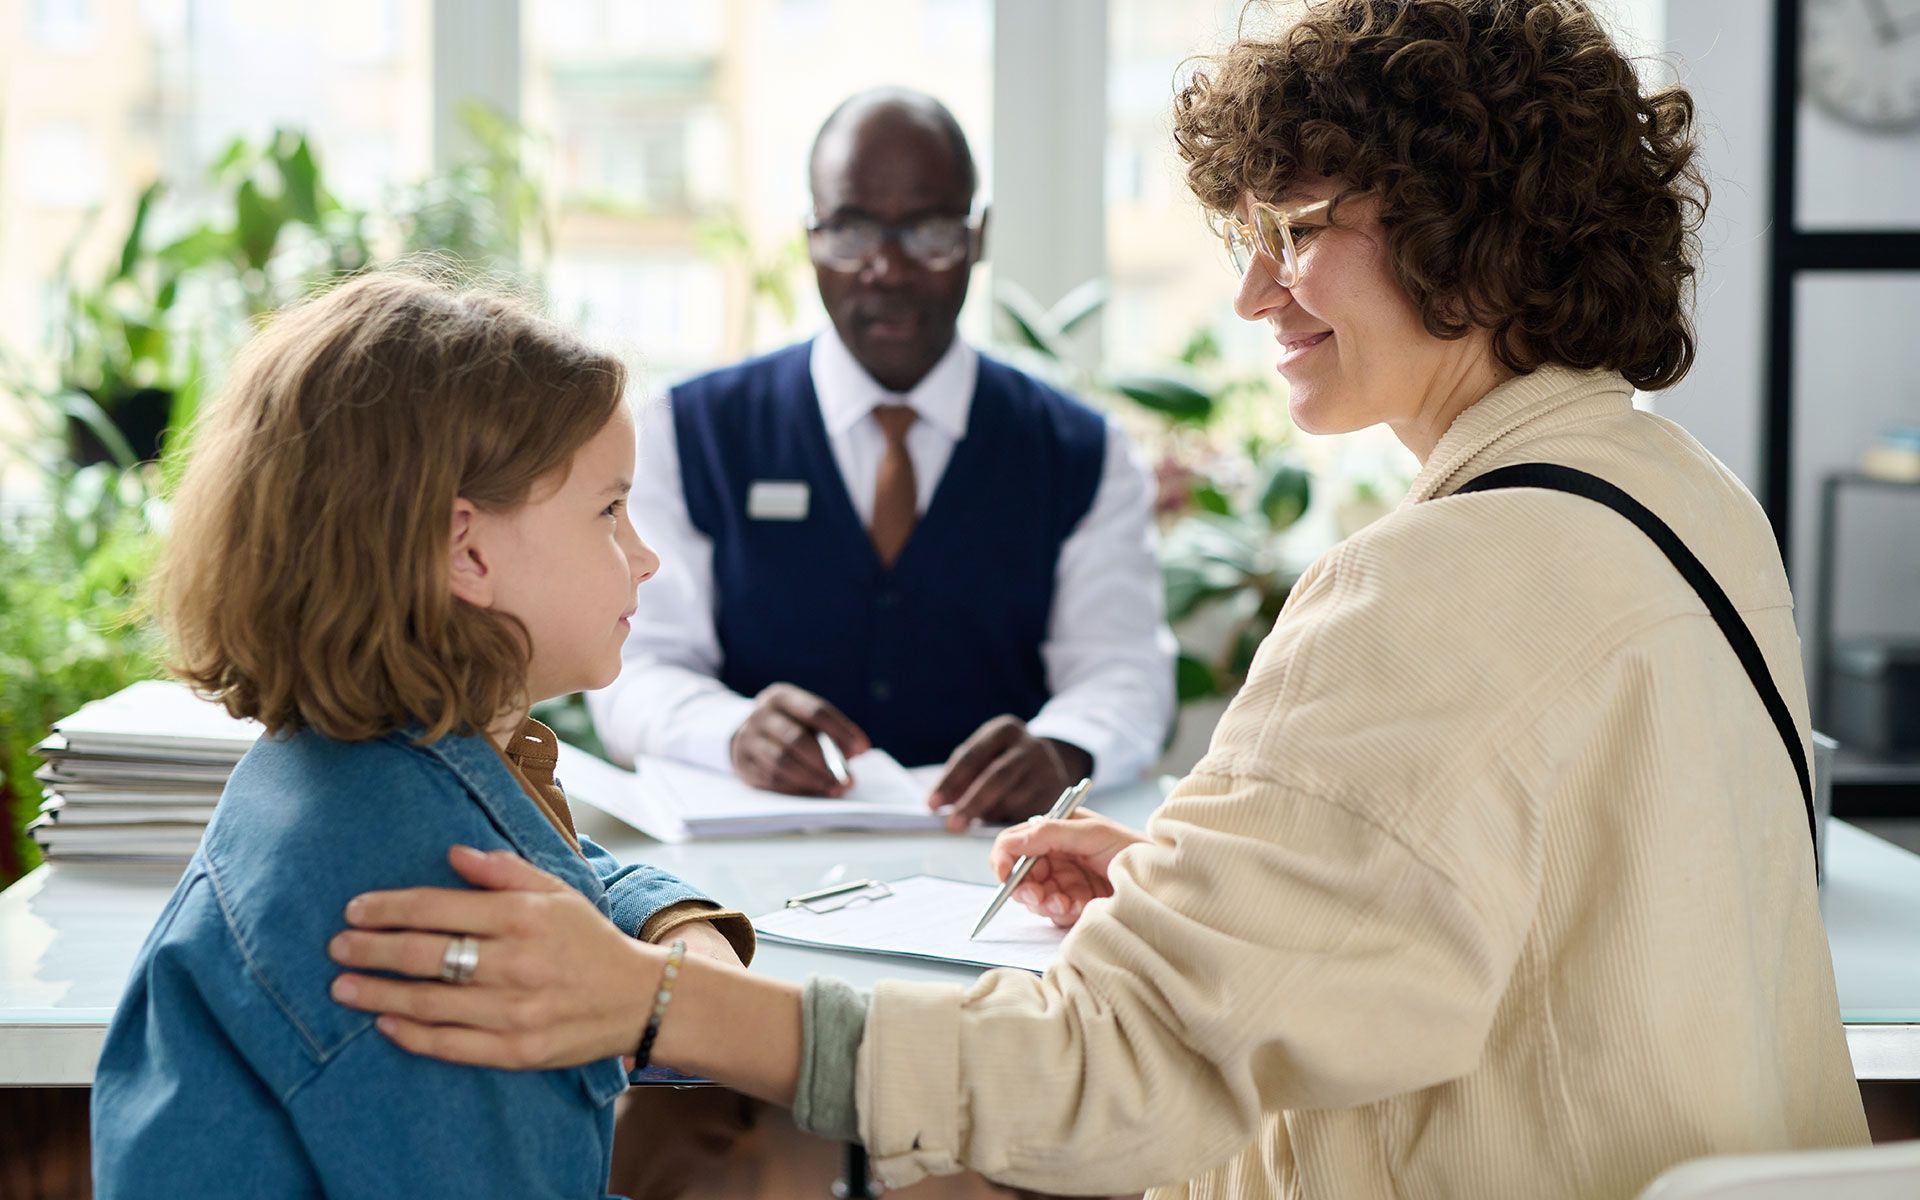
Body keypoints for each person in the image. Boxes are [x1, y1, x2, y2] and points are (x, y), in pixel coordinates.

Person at [326, 3, 1872, 1197]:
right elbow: (1538, 898)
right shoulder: (1684, 499)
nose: (1256, 297)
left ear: (1478, 228)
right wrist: (1225, 886)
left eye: (1301, 233)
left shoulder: (1437, 576)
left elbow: (1102, 1064)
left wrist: (660, 1007)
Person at [90, 272, 753, 1198]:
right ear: (465, 551)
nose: (645, 556)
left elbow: (550, 854)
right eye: (609, 510)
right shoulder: (429, 908)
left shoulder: (359, 767)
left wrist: (668, 923)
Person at [588, 87, 1175, 831]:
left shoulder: (1082, 449)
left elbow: (1122, 670)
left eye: (929, 231)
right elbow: (636, 664)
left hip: (994, 870)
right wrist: (729, 731)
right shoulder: (689, 428)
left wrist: (1064, 748)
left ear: (978, 237)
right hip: (750, 869)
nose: (888, 270)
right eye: (853, 230)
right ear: (810, 236)